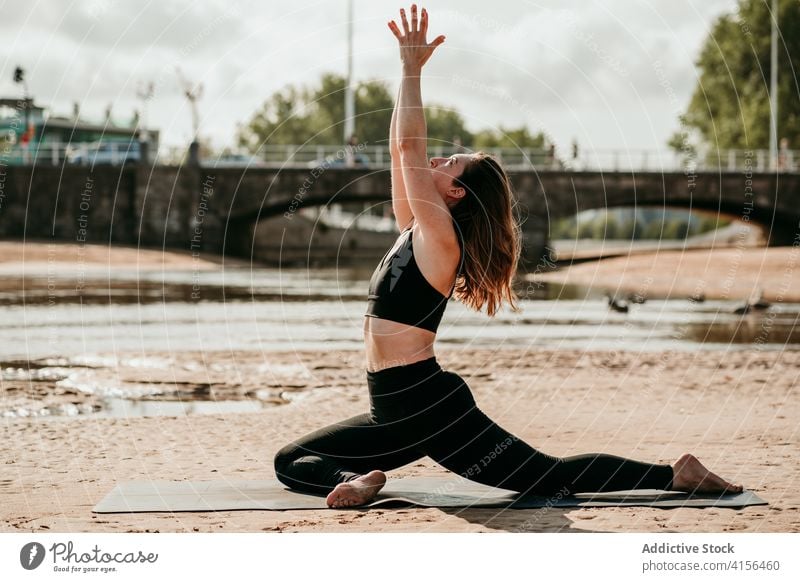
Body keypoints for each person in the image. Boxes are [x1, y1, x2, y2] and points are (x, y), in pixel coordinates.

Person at [274, 4, 743, 509]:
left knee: (546, 478)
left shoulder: (440, 239)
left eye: (449, 163)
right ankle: (358, 479)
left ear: (455, 195)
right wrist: (404, 78)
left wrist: (411, 70)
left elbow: (410, 148)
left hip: (428, 404)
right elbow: (398, 152)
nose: (436, 160)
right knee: (292, 461)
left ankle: (676, 474)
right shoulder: (413, 226)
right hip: (389, 408)